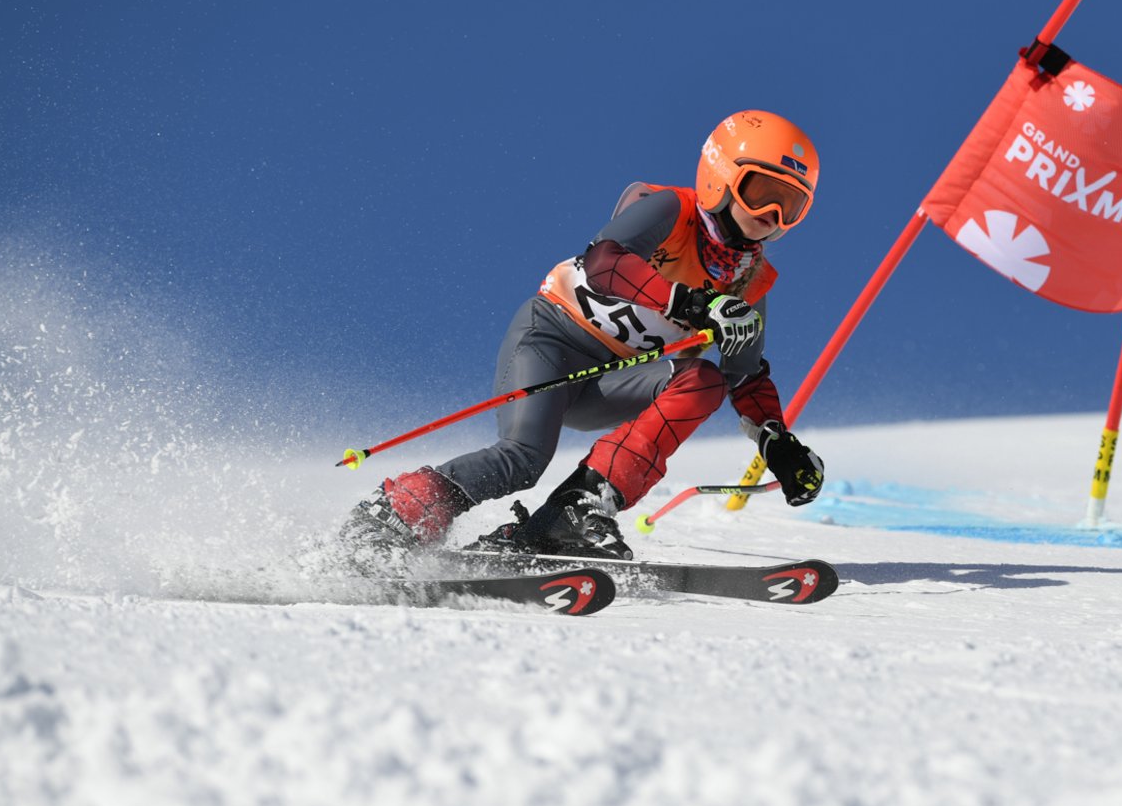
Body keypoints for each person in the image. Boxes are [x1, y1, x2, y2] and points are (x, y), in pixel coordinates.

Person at [351, 109, 826, 558]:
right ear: (719, 176)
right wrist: (691, 303)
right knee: (522, 460)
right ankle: (396, 513)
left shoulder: (748, 280)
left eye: (790, 206)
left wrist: (778, 443)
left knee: (704, 381)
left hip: (609, 381)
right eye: (760, 192)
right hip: (552, 341)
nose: (772, 214)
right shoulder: (671, 209)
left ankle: (572, 511)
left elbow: (744, 375)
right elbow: (605, 261)